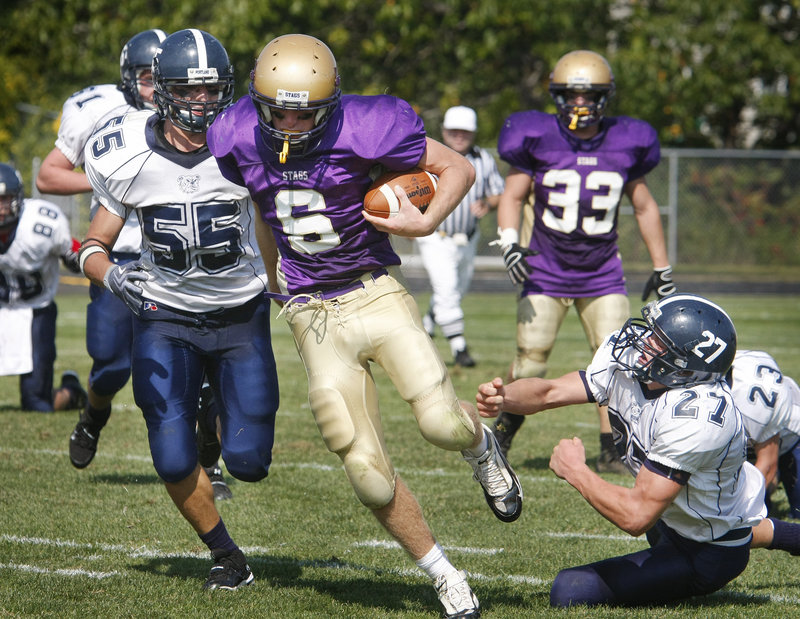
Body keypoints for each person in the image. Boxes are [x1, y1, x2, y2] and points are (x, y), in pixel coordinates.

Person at [207, 33, 522, 618]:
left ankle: (483, 453)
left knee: (440, 424)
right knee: (365, 470)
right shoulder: (235, 133)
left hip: (373, 291)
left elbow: (453, 167)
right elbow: (263, 204)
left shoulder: (370, 125)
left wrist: (425, 223)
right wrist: (281, 286)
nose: (290, 123)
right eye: (278, 110)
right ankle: (445, 575)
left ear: (330, 104)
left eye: (305, 112)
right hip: (312, 312)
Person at [79, 29, 280, 590]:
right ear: (161, 91)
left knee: (249, 463)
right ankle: (226, 556)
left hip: (240, 314)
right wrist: (112, 275)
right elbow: (93, 246)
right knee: (171, 457)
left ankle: (213, 426)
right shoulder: (124, 149)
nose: (201, 102)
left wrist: (284, 278)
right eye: (187, 91)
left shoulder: (249, 139)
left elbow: (275, 215)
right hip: (164, 315)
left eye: (212, 90)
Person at [476, 293, 800, 607]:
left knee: (571, 589)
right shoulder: (634, 362)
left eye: (659, 341)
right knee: (728, 520)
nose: (644, 342)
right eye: (651, 331)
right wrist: (505, 398)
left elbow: (636, 516)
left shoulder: (700, 417)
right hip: (696, 510)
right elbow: (550, 391)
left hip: (705, 548)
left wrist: (576, 470)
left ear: (684, 368)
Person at [34, 29, 231, 499]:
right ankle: (93, 415)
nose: (151, 88)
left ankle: (212, 460)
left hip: (185, 255)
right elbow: (47, 175)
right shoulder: (97, 110)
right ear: (131, 78)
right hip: (119, 253)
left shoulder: (206, 110)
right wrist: (118, 188)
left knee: (204, 362)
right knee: (110, 365)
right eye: (144, 78)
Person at [490, 49, 677, 474]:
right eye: (571, 95)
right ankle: (502, 433)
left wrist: (662, 267)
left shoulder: (628, 140)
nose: (581, 104)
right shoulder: (535, 135)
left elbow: (645, 207)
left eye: (589, 95)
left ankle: (612, 447)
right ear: (557, 96)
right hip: (546, 268)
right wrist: (507, 242)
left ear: (604, 97)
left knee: (617, 363)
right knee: (532, 360)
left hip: (602, 272)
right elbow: (513, 195)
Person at [416, 105, 505, 368]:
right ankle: (459, 348)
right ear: (444, 131)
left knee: (455, 290)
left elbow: (498, 192)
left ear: (474, 133)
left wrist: (488, 204)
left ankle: (426, 327)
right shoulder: (427, 156)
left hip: (468, 237)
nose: (459, 136)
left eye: (464, 132)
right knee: (447, 290)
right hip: (436, 235)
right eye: (454, 131)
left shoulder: (484, 160)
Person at [0, 162, 87, 412]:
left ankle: (71, 391)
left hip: (35, 310)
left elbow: (73, 255)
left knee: (36, 402)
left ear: (17, 198)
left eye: (4, 199)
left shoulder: (40, 224)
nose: (0, 207)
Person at [728, 349, 800, 518]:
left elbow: (767, 465)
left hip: (790, 439)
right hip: (748, 447)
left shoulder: (750, 395)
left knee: (752, 513)